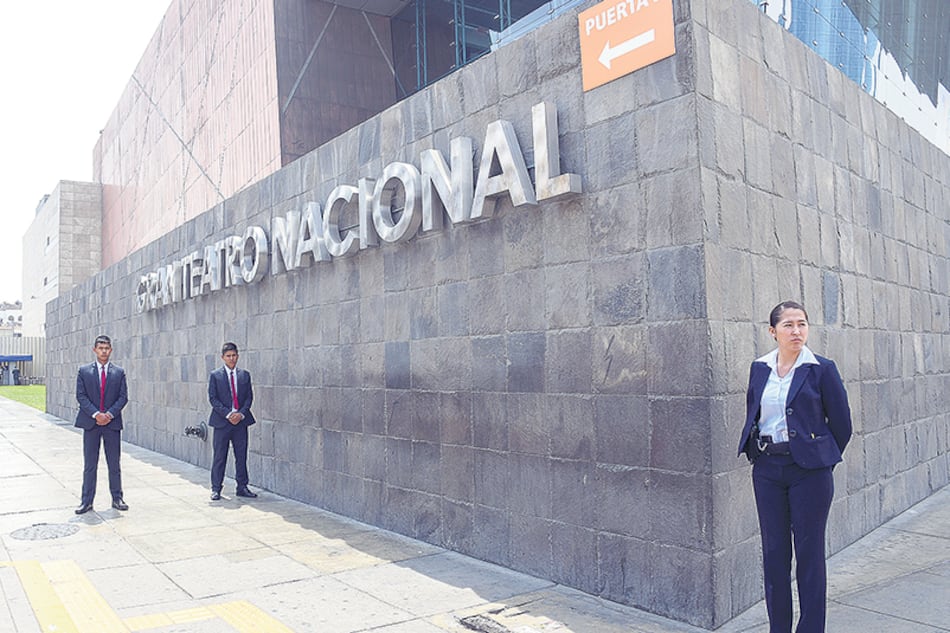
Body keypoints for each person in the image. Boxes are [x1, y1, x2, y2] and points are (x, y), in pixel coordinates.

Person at [737, 301, 852, 633]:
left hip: (810, 474)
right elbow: (755, 412)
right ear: (773, 332)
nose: (796, 331)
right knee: (774, 554)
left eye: (802, 324)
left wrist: (818, 460)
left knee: (809, 555)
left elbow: (842, 424)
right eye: (788, 325)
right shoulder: (760, 367)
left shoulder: (821, 368)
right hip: (768, 470)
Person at [75, 335, 129, 514]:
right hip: (91, 424)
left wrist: (110, 414)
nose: (104, 351)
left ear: (111, 350)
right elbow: (81, 396)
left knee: (114, 463)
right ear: (94, 350)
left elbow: (123, 397)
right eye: (100, 348)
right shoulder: (84, 372)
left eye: (107, 348)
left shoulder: (119, 372)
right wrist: (96, 414)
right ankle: (87, 501)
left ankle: (117, 498)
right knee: (90, 464)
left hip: (111, 424)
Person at [208, 342, 258, 500]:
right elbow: (213, 399)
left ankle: (242, 487)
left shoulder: (244, 375)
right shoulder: (215, 375)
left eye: (234, 355)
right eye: (228, 356)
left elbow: (249, 397)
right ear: (223, 357)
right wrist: (229, 414)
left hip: (241, 422)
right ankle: (216, 488)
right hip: (222, 422)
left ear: (238, 356)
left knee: (241, 455)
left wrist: (240, 414)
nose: (231, 358)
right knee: (219, 456)